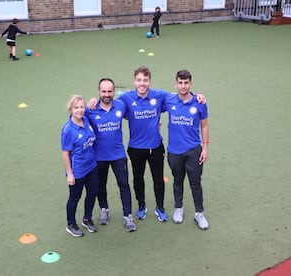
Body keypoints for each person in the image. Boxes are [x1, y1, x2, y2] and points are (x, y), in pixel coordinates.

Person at [88, 66, 206, 223]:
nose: (142, 83)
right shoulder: (125, 99)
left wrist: (198, 96)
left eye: (145, 80)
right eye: (139, 80)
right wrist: (93, 101)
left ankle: (160, 208)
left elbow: (180, 95)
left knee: (158, 179)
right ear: (134, 81)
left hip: (156, 146)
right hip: (136, 148)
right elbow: (109, 105)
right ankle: (141, 206)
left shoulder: (160, 96)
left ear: (149, 81)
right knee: (138, 179)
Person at [85, 78, 137, 232]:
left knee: (124, 185)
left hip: (118, 155)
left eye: (109, 91)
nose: (107, 94)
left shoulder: (121, 105)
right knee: (100, 185)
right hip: (99, 156)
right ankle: (104, 209)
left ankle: (128, 216)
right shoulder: (90, 109)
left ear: (114, 92)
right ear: (99, 91)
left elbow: (136, 114)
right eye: (103, 91)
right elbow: (76, 120)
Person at [164, 70, 209, 230]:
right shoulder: (169, 100)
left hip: (193, 150)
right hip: (174, 151)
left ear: (191, 84)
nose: (183, 86)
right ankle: (179, 208)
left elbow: (204, 125)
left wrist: (205, 147)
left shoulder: (200, 102)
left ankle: (199, 213)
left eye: (186, 83)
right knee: (177, 180)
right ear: (176, 84)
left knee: (195, 183)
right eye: (180, 83)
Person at [61, 95, 99, 237]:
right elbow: (65, 154)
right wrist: (70, 174)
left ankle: (87, 218)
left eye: (82, 107)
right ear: (71, 109)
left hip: (92, 166)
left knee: (92, 193)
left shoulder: (86, 120)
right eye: (76, 107)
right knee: (74, 198)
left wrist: (93, 100)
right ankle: (71, 224)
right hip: (77, 171)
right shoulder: (68, 130)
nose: (79, 110)